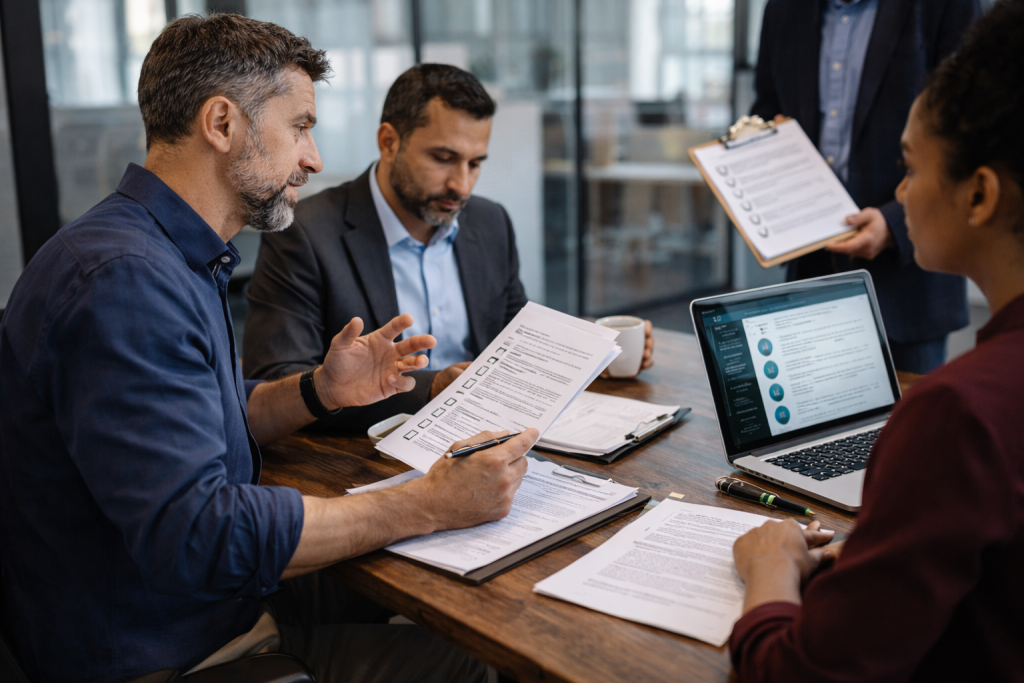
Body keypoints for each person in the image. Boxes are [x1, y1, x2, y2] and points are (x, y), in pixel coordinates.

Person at [0, 14, 537, 683]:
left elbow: (205, 414)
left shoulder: (158, 253)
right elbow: (199, 534)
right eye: (301, 126)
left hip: (202, 611)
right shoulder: (123, 282)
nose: (312, 157)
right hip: (174, 651)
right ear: (222, 124)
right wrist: (427, 502)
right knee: (478, 662)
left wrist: (319, 389)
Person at [730, 1, 1024, 679]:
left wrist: (770, 567)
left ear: (978, 195)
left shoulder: (958, 414)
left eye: (911, 166)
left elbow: (798, 671)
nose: (900, 189)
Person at [242, 64, 654, 431]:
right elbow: (274, 383)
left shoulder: (490, 223)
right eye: (443, 158)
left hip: (488, 441)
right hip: (364, 457)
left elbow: (517, 336)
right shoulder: (306, 232)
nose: (462, 184)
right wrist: (432, 387)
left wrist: (596, 353)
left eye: (475, 163)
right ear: (389, 142)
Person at [752, 0, 982, 373]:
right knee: (815, 424)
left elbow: (970, 135)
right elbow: (766, 107)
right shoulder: (783, 8)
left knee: (913, 425)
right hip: (811, 268)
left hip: (907, 283)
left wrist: (894, 222)